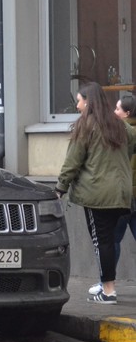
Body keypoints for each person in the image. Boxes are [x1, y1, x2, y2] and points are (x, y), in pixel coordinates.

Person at [55, 82, 136, 304]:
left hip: (97, 193)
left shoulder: (86, 125)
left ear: (88, 102)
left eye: (79, 101)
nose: (77, 106)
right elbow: (133, 141)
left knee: (103, 242)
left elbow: (73, 161)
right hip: (121, 194)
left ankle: (108, 291)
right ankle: (108, 287)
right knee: (108, 241)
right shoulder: (118, 124)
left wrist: (60, 187)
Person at [88, 95, 136, 296]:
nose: (114, 113)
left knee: (110, 241)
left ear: (127, 113)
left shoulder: (122, 134)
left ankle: (105, 283)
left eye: (117, 109)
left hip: (124, 198)